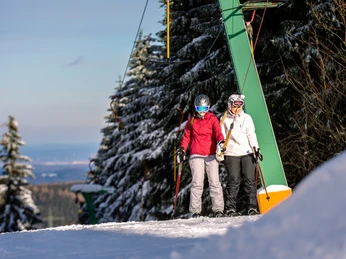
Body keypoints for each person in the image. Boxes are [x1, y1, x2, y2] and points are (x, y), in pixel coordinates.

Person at [176, 94, 225, 218]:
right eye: (199, 109)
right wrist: (182, 150)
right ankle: (195, 211)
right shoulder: (191, 121)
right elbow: (186, 137)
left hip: (211, 154)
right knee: (197, 182)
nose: (202, 112)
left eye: (205, 109)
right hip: (196, 154)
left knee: (214, 182)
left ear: (208, 108)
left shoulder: (212, 119)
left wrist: (221, 141)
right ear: (195, 108)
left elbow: (218, 132)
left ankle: (218, 209)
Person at [218, 94, 262, 216]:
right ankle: (230, 209)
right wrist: (220, 150)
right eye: (234, 106)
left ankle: (252, 207)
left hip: (246, 152)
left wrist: (256, 149)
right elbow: (220, 137)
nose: (237, 108)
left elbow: (251, 134)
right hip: (231, 153)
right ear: (229, 105)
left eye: (239, 105)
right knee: (234, 180)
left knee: (249, 180)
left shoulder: (247, 118)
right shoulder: (224, 119)